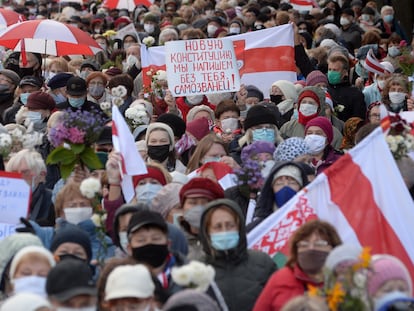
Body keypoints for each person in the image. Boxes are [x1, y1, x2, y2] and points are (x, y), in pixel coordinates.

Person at [199, 198, 276, 311]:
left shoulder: (263, 263)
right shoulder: (195, 268)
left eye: (230, 225)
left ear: (239, 228)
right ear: (207, 232)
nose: (224, 231)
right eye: (218, 227)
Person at [253, 219, 342, 311]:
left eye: (319, 243)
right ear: (296, 250)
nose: (311, 248)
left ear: (333, 248)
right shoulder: (280, 278)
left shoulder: (344, 282)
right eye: (304, 244)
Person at [126, 210, 186, 297]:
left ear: (168, 244)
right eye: (141, 240)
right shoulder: (119, 280)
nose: (149, 243)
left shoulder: (192, 275)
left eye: (156, 239)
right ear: (129, 248)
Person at [251, 162, 309, 230]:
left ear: (301, 188)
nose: (285, 187)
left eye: (292, 183)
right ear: (272, 188)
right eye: (279, 183)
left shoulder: (309, 223)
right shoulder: (258, 228)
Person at [178, 177, 225, 260]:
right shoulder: (173, 240)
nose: (198, 207)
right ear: (182, 207)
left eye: (205, 203)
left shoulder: (225, 242)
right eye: (192, 202)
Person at [6, 149, 55, 226]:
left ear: (42, 175)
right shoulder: (4, 202)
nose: (19, 177)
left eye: (25, 172)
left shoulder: (52, 200)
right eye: (14, 173)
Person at [326, 53, 366, 122]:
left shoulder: (355, 94)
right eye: (329, 69)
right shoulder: (324, 90)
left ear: (345, 72)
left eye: (335, 70)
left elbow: (357, 121)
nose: (331, 73)